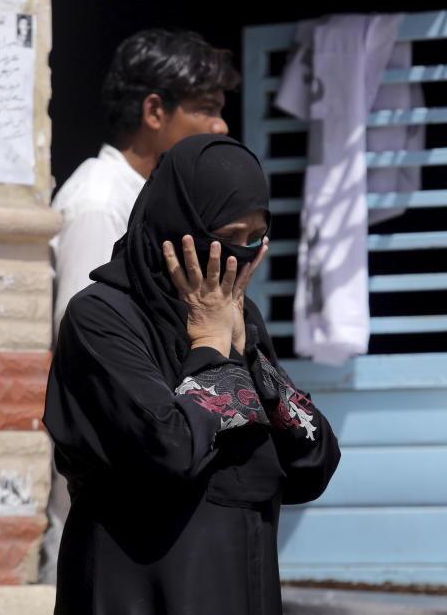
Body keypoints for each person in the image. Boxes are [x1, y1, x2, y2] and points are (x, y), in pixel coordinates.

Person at [43, 135, 341, 615]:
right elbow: (170, 448)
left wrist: (250, 360)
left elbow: (314, 463)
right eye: (228, 236)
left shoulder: (238, 319)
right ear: (178, 228)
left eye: (255, 239)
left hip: (241, 583)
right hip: (137, 590)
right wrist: (209, 348)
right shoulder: (100, 319)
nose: (240, 259)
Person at [44, 29, 239, 582]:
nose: (221, 126)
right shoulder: (102, 203)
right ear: (155, 111)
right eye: (206, 109)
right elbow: (92, 346)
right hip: (122, 476)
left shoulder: (151, 199)